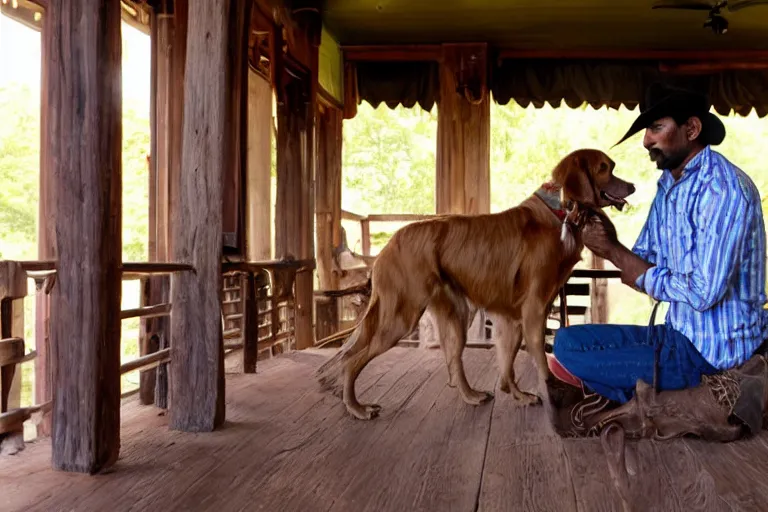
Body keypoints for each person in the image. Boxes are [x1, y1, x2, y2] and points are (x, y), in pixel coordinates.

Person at [550, 83, 768, 404]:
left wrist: (614, 251)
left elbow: (703, 293)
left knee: (576, 361)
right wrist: (600, 230)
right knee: (567, 343)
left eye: (655, 127)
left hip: (712, 353)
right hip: (675, 335)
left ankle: (661, 399)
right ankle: (632, 391)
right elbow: (640, 264)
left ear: (691, 129)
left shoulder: (724, 191)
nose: (646, 140)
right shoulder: (669, 185)